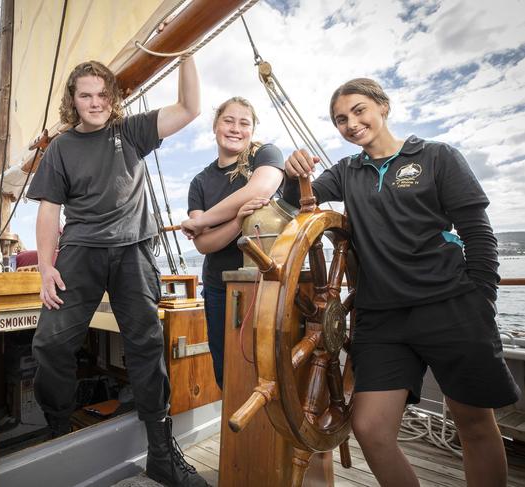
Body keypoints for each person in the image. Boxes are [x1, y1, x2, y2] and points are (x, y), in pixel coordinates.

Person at [283, 78, 520, 486]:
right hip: (382, 319)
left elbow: (478, 234)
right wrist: (292, 173)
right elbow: (293, 205)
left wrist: (482, 302)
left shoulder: (436, 156)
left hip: (450, 306)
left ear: (383, 106)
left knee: (474, 423)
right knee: (371, 429)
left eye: (359, 110)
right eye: (341, 119)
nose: (351, 123)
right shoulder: (347, 172)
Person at [26, 57, 208, 487]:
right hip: (80, 252)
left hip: (134, 251)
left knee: (146, 344)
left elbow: (189, 108)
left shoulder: (132, 131)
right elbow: (49, 213)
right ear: (73, 100)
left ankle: (162, 454)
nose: (95, 102)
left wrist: (185, 53)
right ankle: (57, 431)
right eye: (85, 95)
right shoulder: (60, 148)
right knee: (50, 344)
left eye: (102, 94)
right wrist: (46, 267)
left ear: (114, 97)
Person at [182, 96, 285, 389]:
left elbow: (262, 188)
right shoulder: (200, 183)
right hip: (218, 286)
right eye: (228, 121)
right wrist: (237, 220)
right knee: (225, 371)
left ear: (252, 129)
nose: (235, 128)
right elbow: (204, 246)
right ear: (215, 126)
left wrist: (201, 222)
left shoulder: (265, 155)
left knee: (269, 366)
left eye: (244, 123)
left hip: (266, 282)